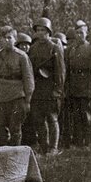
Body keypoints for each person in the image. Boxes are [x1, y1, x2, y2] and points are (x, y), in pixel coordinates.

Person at [0, 27, 35, 147]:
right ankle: (3, 151)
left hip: (17, 95)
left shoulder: (21, 56)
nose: (6, 40)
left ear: (15, 40)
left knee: (15, 127)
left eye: (9, 37)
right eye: (2, 38)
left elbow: (28, 78)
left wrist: (28, 99)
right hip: (0, 95)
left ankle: (15, 152)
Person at [27, 18, 65, 154]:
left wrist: (58, 90)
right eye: (38, 30)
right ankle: (44, 146)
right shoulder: (33, 49)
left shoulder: (55, 48)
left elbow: (60, 71)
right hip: (37, 90)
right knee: (39, 119)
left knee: (52, 118)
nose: (40, 33)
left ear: (49, 32)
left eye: (43, 30)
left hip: (50, 89)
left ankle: (53, 148)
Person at [65, 20, 91, 149]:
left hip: (86, 86)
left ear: (86, 33)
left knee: (87, 116)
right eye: (77, 32)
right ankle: (79, 142)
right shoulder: (71, 50)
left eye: (81, 32)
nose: (79, 35)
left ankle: (88, 142)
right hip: (75, 86)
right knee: (76, 115)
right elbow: (68, 70)